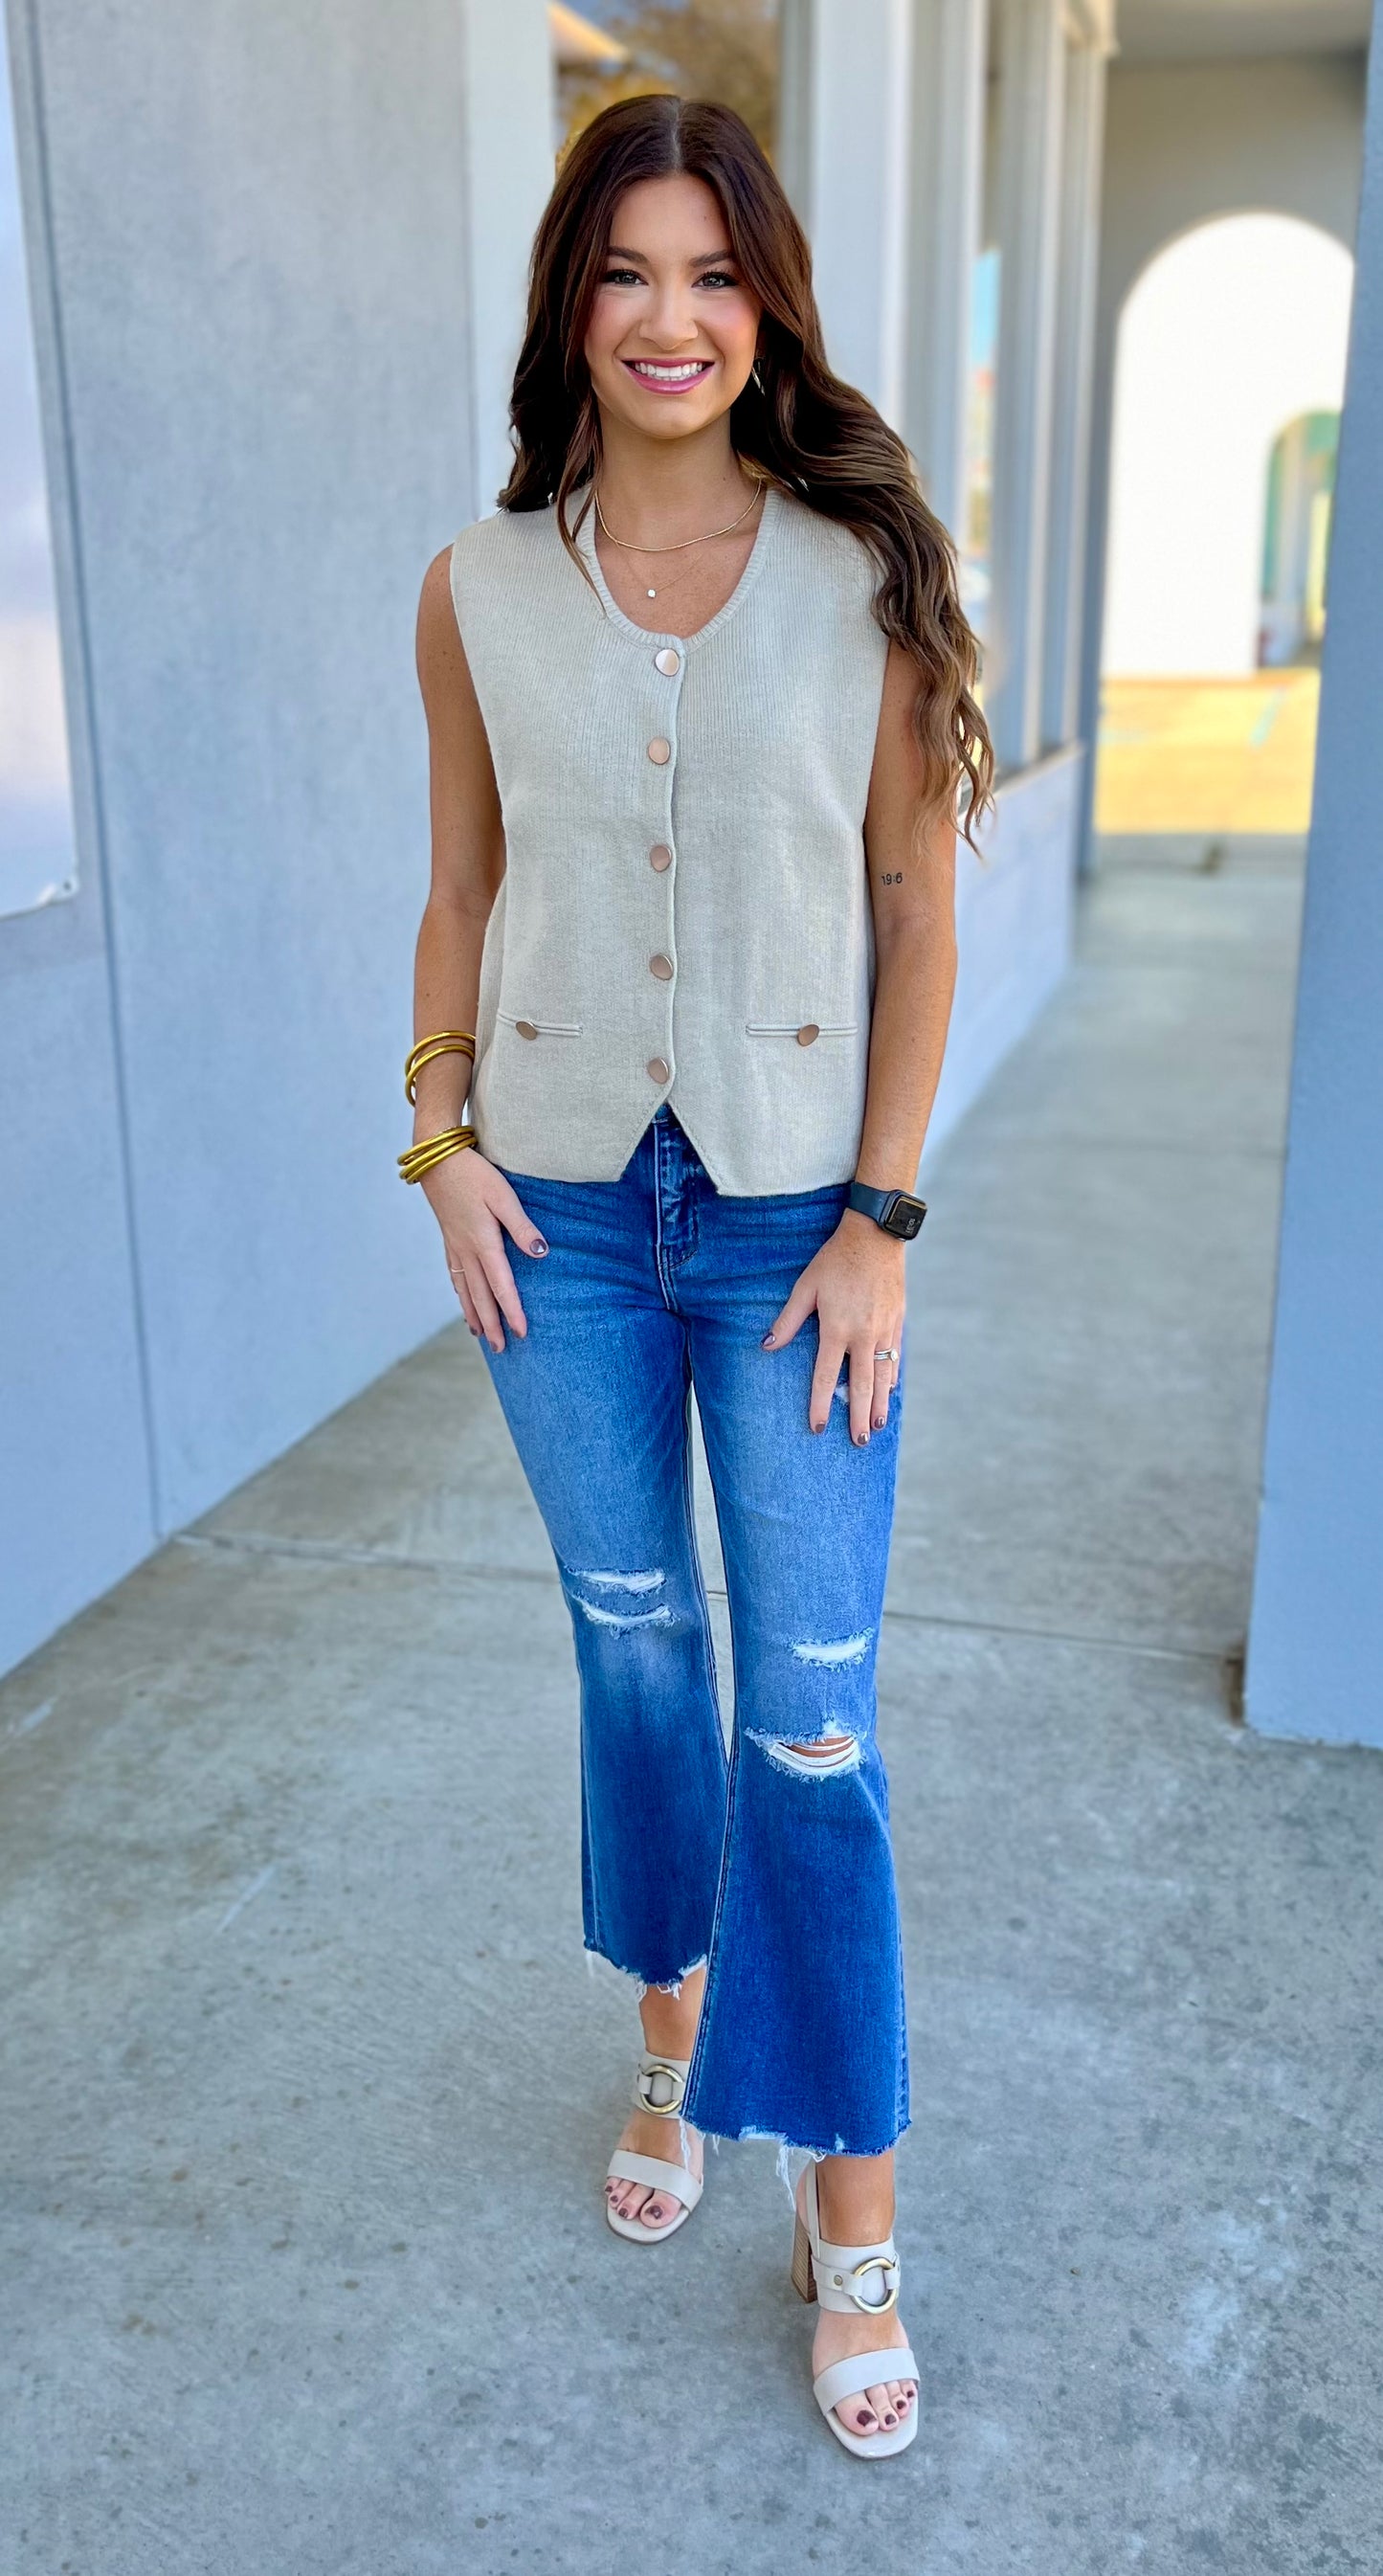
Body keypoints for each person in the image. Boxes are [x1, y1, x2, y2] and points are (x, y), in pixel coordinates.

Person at [407, 92, 993, 2459]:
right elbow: (455, 889)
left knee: (815, 1719)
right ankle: (671, 2047)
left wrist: (880, 1213)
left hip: (790, 1230)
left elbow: (916, 910)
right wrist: (437, 1137)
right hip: (555, 1208)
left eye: (714, 276)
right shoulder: (474, 586)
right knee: (641, 1662)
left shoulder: (861, 570)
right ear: (573, 302)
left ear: (769, 310)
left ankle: (850, 2218)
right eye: (628, 274)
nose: (670, 319)